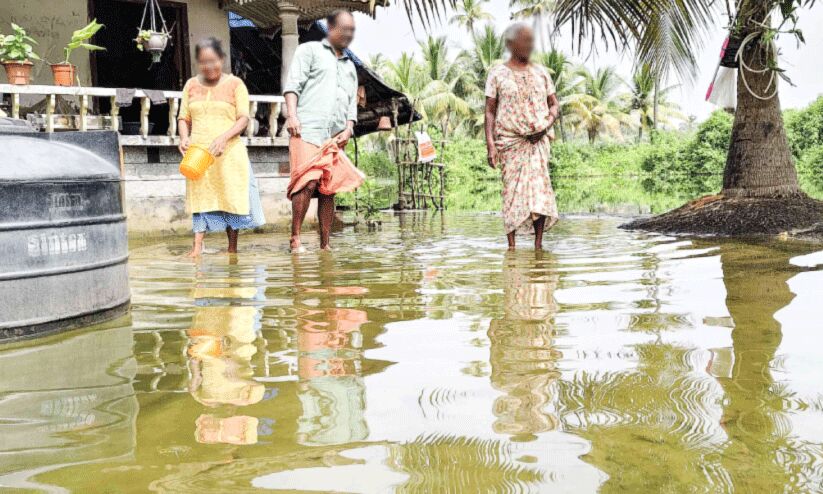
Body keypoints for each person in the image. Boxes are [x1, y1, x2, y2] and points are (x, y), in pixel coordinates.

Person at [283, 10, 364, 253]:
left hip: (335, 136)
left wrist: (349, 128)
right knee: (307, 182)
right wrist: (292, 115)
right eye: (344, 29)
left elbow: (351, 104)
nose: (348, 34)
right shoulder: (308, 51)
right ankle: (295, 238)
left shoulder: (350, 67)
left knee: (329, 189)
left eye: (351, 30)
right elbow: (292, 86)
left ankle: (325, 244)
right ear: (330, 29)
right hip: (306, 129)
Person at [178, 37, 265, 257]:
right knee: (200, 198)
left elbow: (243, 119)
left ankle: (232, 249)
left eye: (213, 61)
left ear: (222, 60)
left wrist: (224, 138)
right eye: (204, 62)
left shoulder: (236, 84)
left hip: (228, 152)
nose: (209, 66)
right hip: (199, 153)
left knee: (230, 197)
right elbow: (183, 118)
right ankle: (197, 247)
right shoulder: (190, 85)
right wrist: (183, 137)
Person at [485, 23, 561, 251]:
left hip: (539, 141)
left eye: (530, 41)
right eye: (523, 40)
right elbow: (489, 110)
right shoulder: (497, 73)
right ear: (510, 44)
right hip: (509, 141)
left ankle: (538, 246)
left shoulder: (541, 73)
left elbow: (554, 105)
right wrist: (490, 144)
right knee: (511, 193)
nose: (528, 45)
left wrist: (546, 126)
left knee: (538, 192)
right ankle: (512, 247)